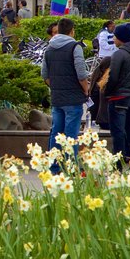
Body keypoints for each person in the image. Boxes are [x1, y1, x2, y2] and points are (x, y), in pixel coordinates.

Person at [41, 18, 89, 159]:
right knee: (70, 135)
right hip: (73, 99)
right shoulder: (75, 47)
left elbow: (44, 75)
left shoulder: (49, 48)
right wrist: (85, 89)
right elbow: (81, 74)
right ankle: (70, 166)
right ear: (72, 31)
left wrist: (56, 86)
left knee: (56, 133)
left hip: (57, 98)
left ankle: (55, 166)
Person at [103, 23, 130, 162]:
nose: (113, 38)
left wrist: (107, 92)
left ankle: (118, 164)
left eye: (115, 36)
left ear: (121, 38)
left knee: (118, 133)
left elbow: (113, 77)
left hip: (118, 98)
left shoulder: (119, 54)